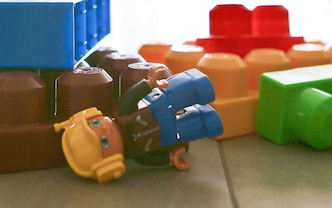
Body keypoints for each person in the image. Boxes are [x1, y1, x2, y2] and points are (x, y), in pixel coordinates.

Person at [53, 67, 223, 183]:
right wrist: (171, 158)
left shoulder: (124, 113)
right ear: (110, 162)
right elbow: (148, 159)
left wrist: (149, 83)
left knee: (188, 86)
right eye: (104, 142)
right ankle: (209, 120)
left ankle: (200, 85)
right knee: (201, 125)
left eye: (96, 124)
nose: (104, 128)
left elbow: (131, 97)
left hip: (161, 102)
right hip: (173, 133)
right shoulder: (136, 152)